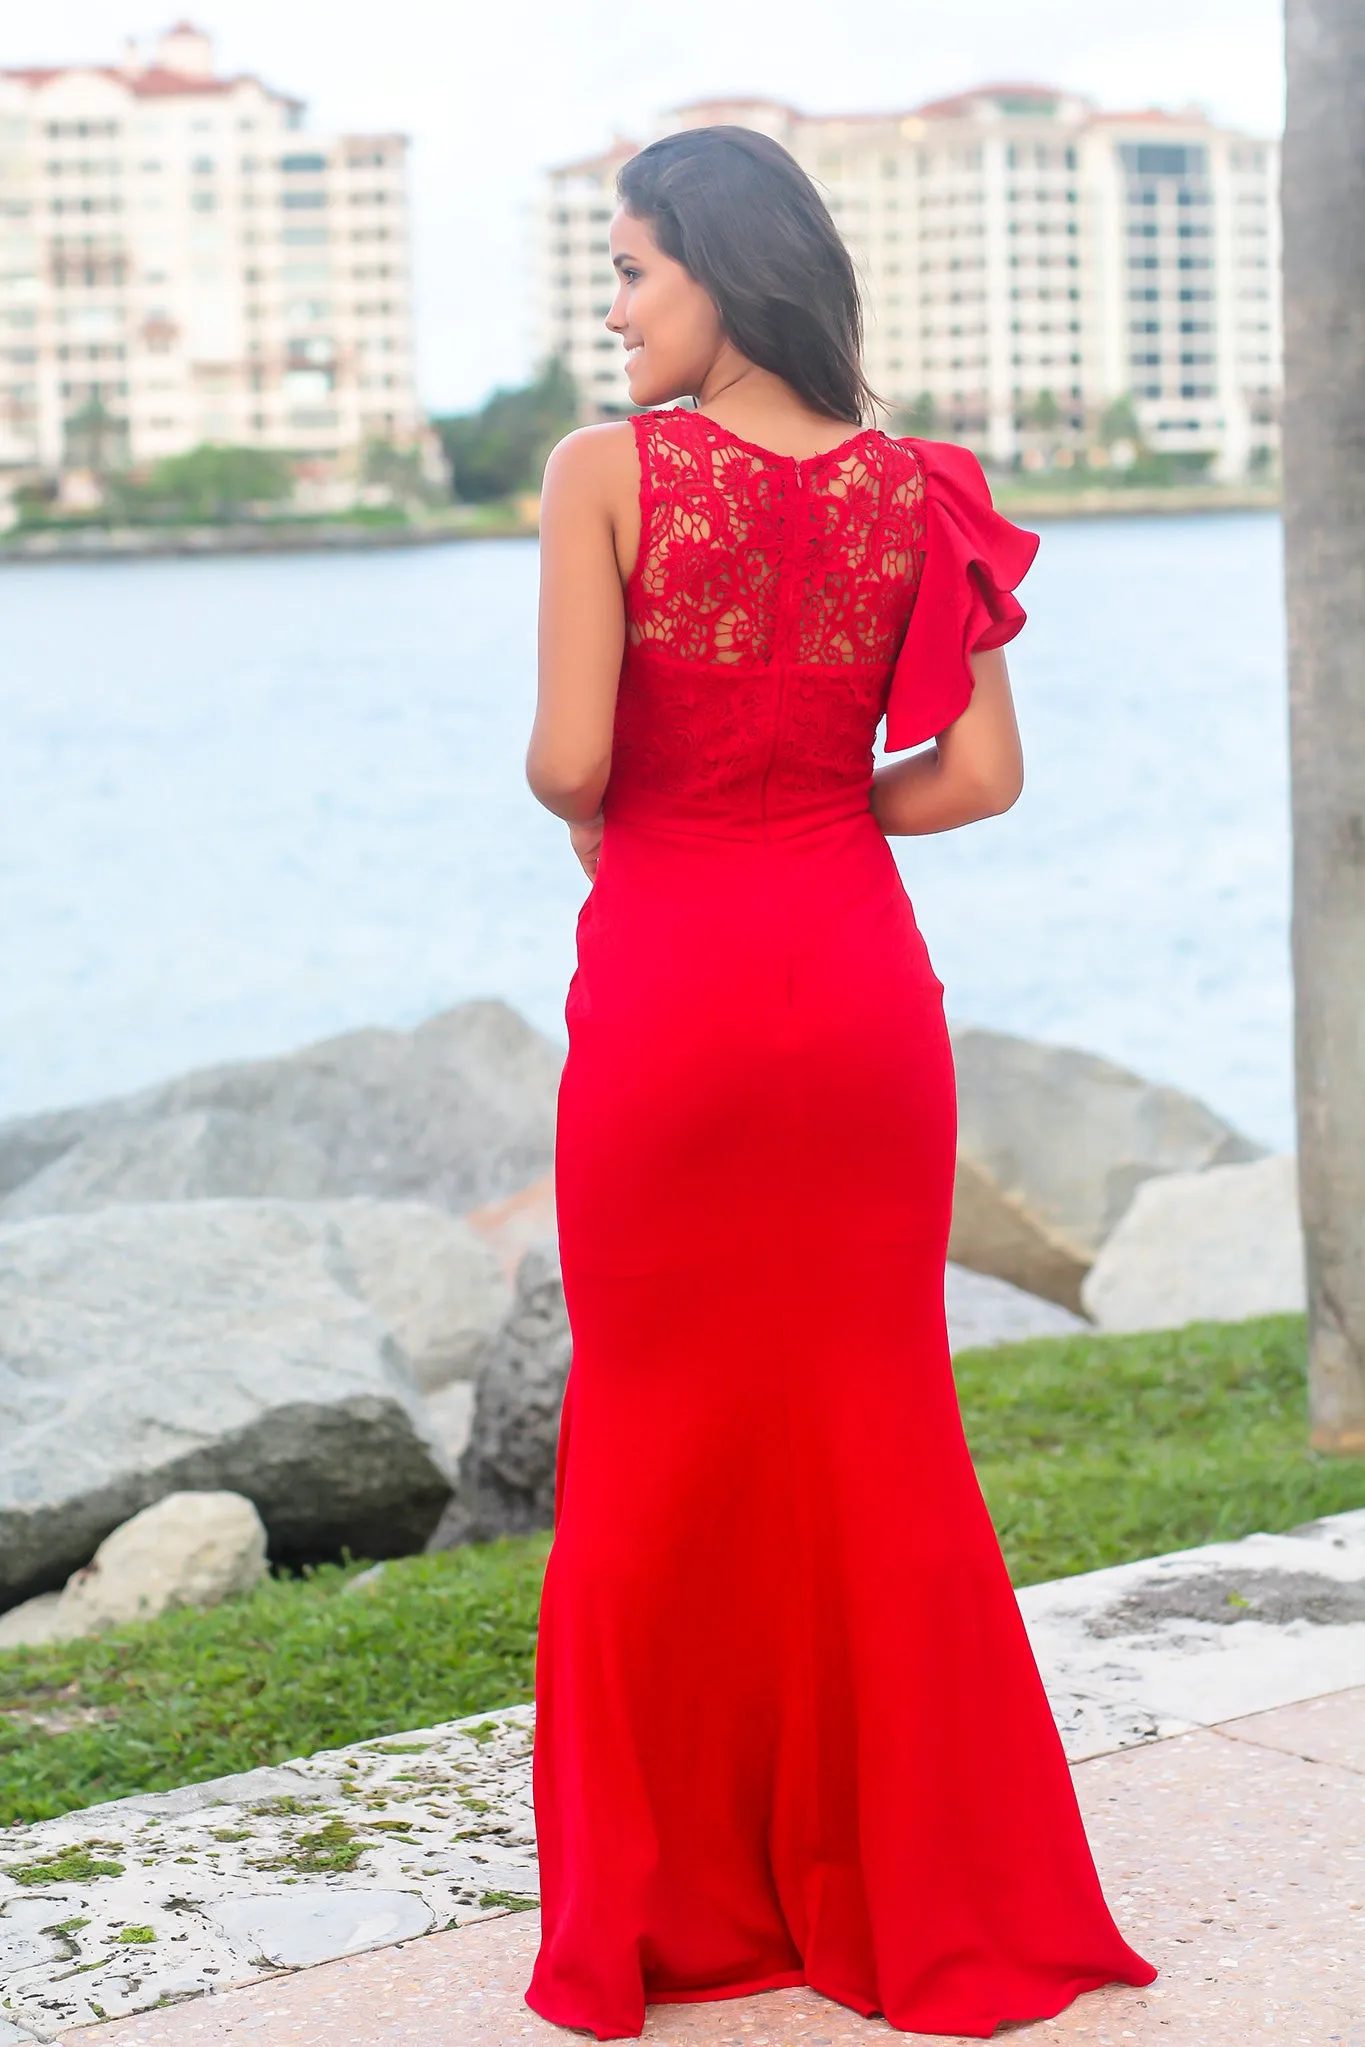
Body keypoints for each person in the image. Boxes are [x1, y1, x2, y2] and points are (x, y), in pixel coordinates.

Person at [524, 124, 1155, 2042]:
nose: (614, 308)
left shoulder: (602, 477)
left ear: (718, 268)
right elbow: (977, 778)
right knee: (874, 1436)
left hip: (674, 993)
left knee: (652, 1441)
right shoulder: (923, 489)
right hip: (861, 989)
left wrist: (668, 818)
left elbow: (567, 762)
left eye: (633, 270)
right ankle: (919, 1900)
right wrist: (813, 812)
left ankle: (672, 1916)